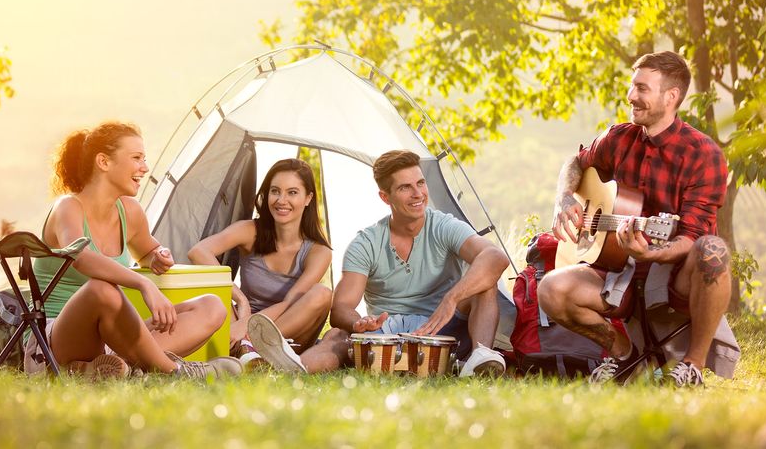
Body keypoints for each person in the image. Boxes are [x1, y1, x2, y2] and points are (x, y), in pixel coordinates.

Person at [536, 50, 732, 387]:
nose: (631, 96)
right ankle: (625, 357)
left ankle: (692, 368)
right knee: (550, 290)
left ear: (671, 97)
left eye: (642, 89)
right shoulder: (619, 137)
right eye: (632, 87)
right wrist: (564, 198)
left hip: (674, 276)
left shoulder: (705, 155)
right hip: (618, 269)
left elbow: (690, 237)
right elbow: (576, 162)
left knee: (712, 250)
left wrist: (649, 253)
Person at [247, 149, 510, 377]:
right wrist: (359, 323)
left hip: (444, 329)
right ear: (386, 197)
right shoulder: (366, 243)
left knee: (484, 282)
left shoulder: (443, 226)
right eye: (405, 187)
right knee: (336, 336)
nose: (418, 193)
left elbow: (495, 257)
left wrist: (451, 299)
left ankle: (479, 357)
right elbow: (340, 309)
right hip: (385, 335)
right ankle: (293, 368)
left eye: (420, 183)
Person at [25, 121, 241, 379]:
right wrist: (143, 284)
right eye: (137, 158)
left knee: (212, 306)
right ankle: (175, 371)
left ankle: (114, 369)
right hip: (54, 338)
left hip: (110, 340)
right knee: (101, 288)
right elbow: (80, 258)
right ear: (104, 162)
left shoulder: (129, 211)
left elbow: (147, 251)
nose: (145, 168)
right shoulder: (68, 208)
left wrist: (159, 256)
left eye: (145, 158)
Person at [187, 158, 334, 366]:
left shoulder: (319, 251)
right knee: (215, 292)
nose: (281, 200)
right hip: (238, 325)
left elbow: (290, 302)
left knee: (322, 294)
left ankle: (254, 349)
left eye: (292, 192)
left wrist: (247, 328)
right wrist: (240, 299)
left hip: (287, 334)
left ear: (308, 198)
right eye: (275, 191)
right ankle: (245, 353)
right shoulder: (250, 230)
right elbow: (198, 252)